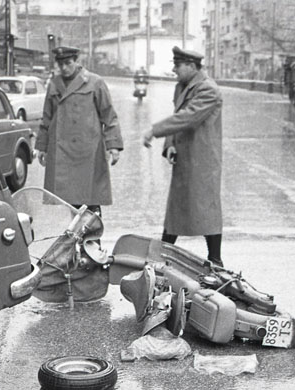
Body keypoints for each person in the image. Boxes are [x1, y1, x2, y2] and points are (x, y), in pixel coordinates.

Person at [142, 46, 224, 266]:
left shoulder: (208, 89)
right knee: (177, 208)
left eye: (177, 65)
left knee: (206, 208)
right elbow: (178, 116)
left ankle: (215, 259)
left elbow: (188, 118)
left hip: (202, 159)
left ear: (191, 66)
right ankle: (162, 255)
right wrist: (170, 144)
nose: (174, 70)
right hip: (184, 156)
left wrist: (154, 130)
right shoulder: (183, 87)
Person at [36, 46, 123, 216]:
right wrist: (41, 146)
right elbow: (47, 118)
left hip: (88, 152)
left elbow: (108, 115)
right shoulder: (54, 84)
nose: (64, 68)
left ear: (77, 61)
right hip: (62, 151)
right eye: (60, 64)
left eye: (68, 63)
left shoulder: (95, 82)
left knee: (90, 199)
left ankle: (93, 232)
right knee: (71, 202)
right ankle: (77, 232)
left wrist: (113, 146)